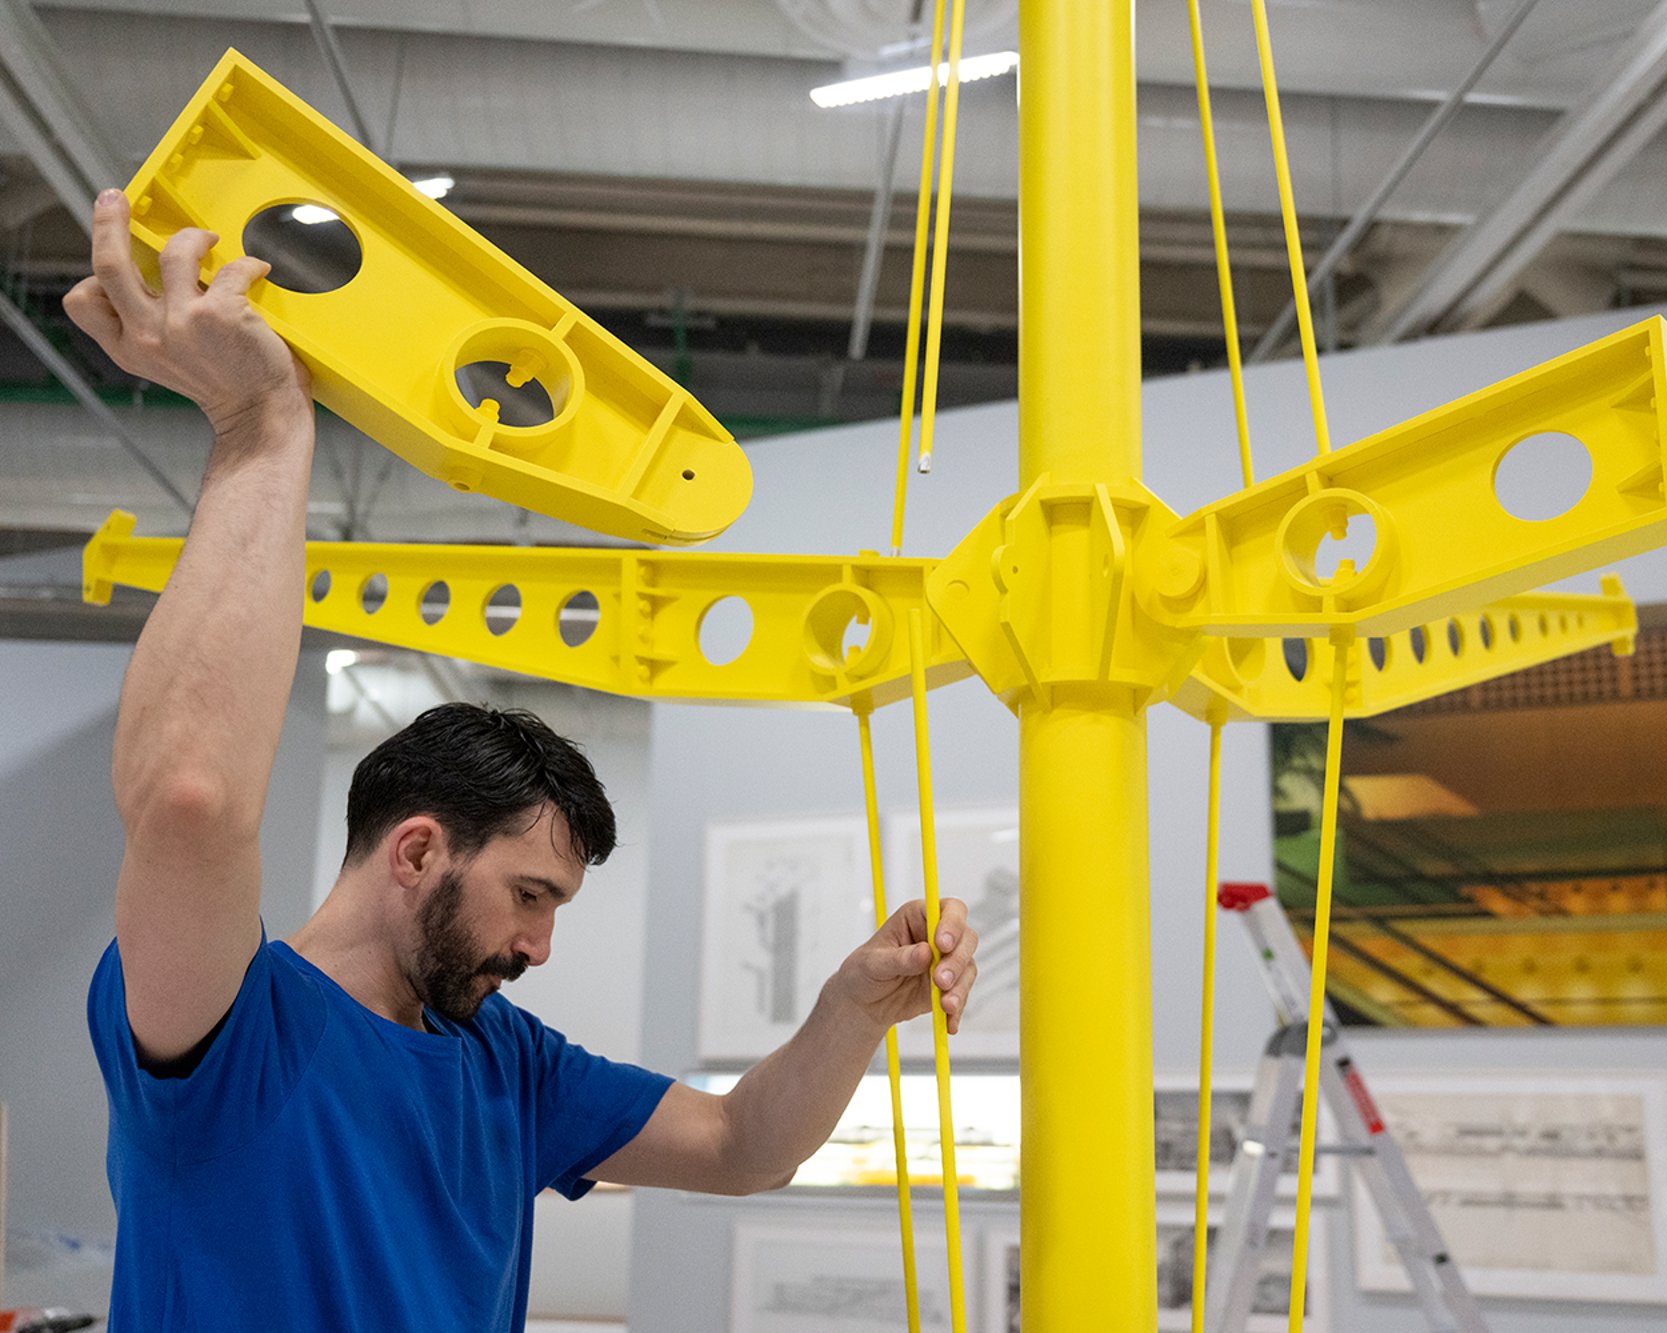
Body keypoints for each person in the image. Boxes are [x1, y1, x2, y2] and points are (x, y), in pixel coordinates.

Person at [63, 188, 980, 1332]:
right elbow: (191, 799)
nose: (539, 946)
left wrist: (851, 1008)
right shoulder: (230, 1025)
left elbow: (743, 1145)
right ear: (416, 851)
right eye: (531, 895)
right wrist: (260, 426)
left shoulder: (504, 1061)